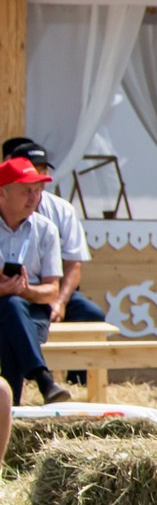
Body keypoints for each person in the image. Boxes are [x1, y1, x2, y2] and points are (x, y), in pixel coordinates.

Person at [1, 141, 103, 323]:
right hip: (12, 294)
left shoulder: (63, 210)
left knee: (92, 315)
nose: (38, 175)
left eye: (43, 169)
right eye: (33, 168)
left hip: (52, 289)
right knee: (13, 307)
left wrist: (60, 302)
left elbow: (74, 264)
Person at [0, 156, 69, 403]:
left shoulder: (46, 229)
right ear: (3, 193)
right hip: (18, 319)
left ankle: (12, 410)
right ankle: (42, 380)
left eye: (38, 191)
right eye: (26, 191)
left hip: (32, 314)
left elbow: (52, 291)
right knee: (9, 310)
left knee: (11, 311)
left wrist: (25, 291)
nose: (35, 197)